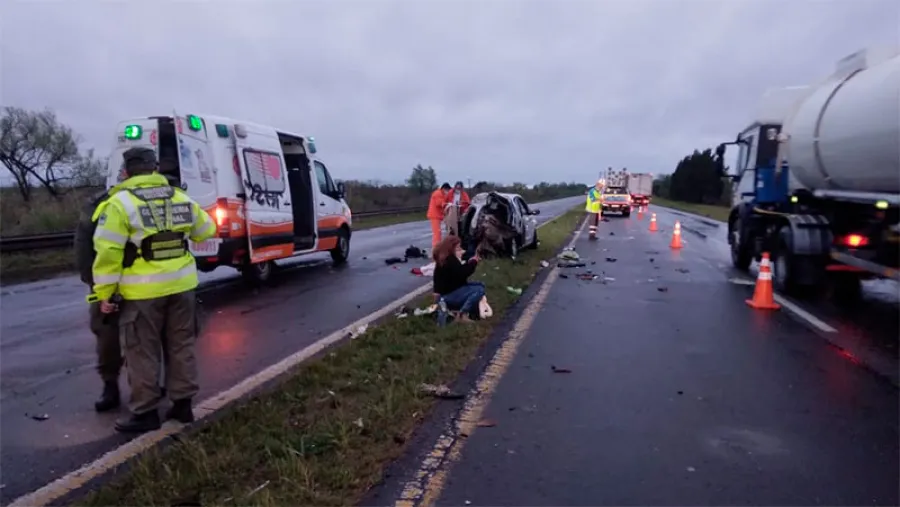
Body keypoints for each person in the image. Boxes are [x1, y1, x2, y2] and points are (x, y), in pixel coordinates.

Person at [91, 146, 216, 433]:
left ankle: (145, 412)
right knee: (181, 345)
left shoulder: (119, 203)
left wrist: (105, 293)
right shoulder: (179, 197)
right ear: (155, 169)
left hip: (142, 293)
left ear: (126, 172)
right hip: (182, 287)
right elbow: (206, 231)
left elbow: (108, 252)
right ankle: (182, 406)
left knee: (141, 351)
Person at [74, 188, 124, 412]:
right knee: (108, 338)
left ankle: (149, 386)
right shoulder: (97, 205)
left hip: (140, 282)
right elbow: (83, 247)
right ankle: (110, 385)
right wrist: (95, 283)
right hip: (108, 283)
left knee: (146, 338)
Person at [432, 235, 485, 323]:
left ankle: (472, 313)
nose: (460, 249)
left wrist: (470, 262)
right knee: (479, 289)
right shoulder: (450, 260)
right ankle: (462, 314)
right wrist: (473, 262)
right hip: (449, 295)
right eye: (458, 247)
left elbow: (458, 273)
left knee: (480, 285)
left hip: (446, 295)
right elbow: (463, 273)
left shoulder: (444, 259)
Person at [427, 183, 452, 250]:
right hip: (434, 215)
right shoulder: (438, 193)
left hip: (437, 215)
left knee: (438, 232)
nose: (448, 192)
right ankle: (436, 248)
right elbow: (439, 203)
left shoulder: (441, 194)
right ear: (444, 189)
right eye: (447, 190)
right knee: (437, 233)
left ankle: (438, 246)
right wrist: (447, 204)